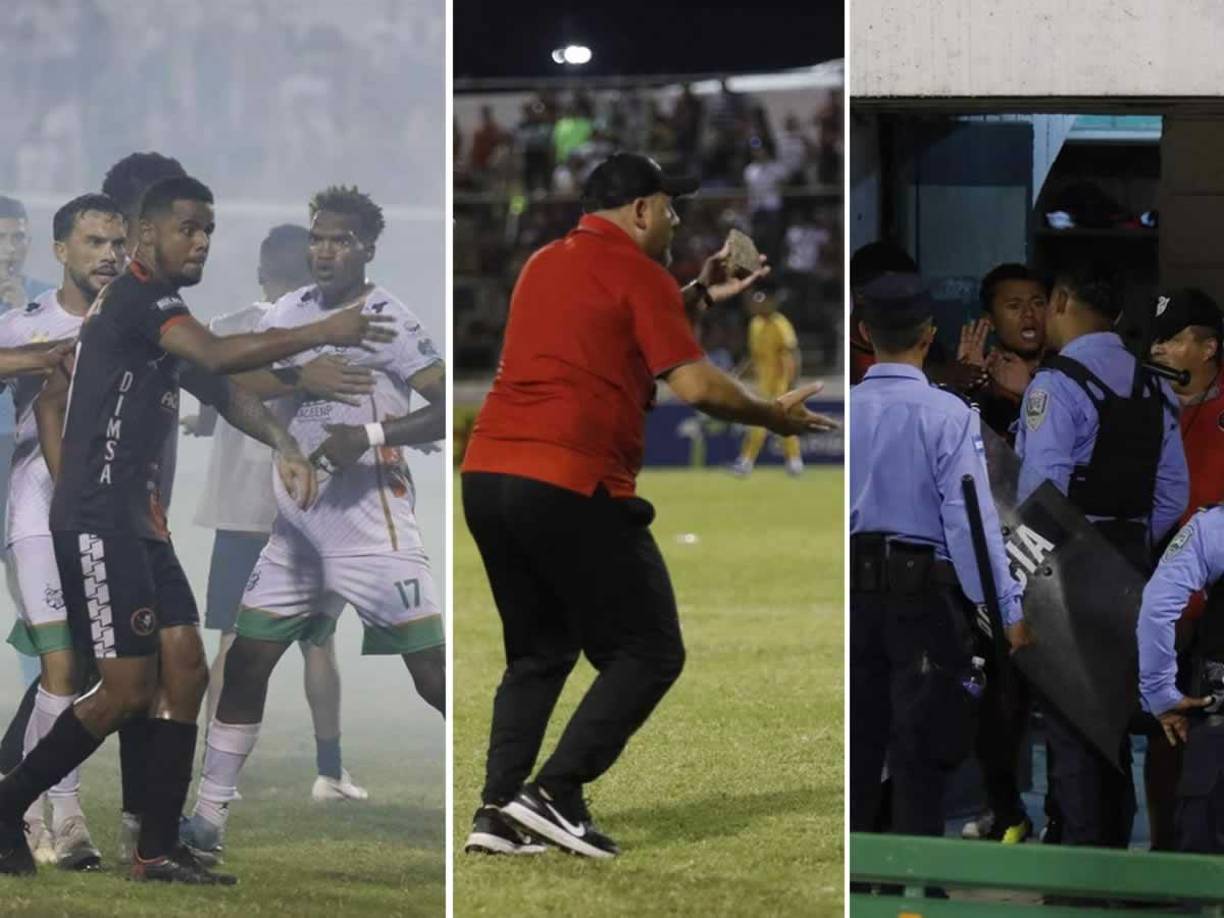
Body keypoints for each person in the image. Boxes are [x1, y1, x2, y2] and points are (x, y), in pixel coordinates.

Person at [0, 174, 396, 883]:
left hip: (139, 524)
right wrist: (321, 332)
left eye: (209, 229)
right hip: (95, 521)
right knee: (121, 688)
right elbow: (215, 357)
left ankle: (156, 849)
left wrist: (284, 442)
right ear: (147, 234)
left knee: (184, 673)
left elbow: (217, 386)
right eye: (189, 227)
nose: (202, 240)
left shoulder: (163, 308)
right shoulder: (136, 298)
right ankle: (8, 806)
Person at [459, 152, 837, 858]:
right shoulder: (638, 273)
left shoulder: (544, 262)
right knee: (648, 649)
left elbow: (608, 322)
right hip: (570, 478)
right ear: (640, 209)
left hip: (486, 474)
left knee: (538, 653)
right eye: (671, 206)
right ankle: (555, 794)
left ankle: (497, 810)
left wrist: (692, 290)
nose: (676, 219)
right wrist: (770, 416)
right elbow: (694, 386)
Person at [181, 186, 446, 861]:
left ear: (367, 249)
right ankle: (207, 822)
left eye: (341, 240)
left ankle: (506, 777)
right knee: (246, 662)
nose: (326, 250)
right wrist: (304, 376)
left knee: (430, 675)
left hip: (371, 521)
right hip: (297, 526)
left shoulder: (388, 317)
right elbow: (246, 382)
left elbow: (448, 410)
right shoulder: (291, 312)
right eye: (318, 238)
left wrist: (372, 432)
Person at [182, 223, 378, 804]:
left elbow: (216, 411)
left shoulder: (226, 329)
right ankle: (330, 772)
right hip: (307, 511)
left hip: (242, 510)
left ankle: (215, 776)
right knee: (319, 643)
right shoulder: (327, 333)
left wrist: (199, 425)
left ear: (262, 272)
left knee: (229, 640)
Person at [1015, 265, 1189, 849]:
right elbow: (1172, 494)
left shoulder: (1056, 384)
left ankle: (1079, 885)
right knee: (1114, 730)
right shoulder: (1156, 385)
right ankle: (1114, 868)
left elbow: (1042, 499)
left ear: (1063, 298)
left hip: (1068, 570)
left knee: (1070, 732)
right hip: (1132, 568)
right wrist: (1129, 546)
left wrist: (1022, 585)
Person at [849, 272, 1026, 840]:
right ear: (929, 334)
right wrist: (1004, 611)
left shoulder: (845, 410)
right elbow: (970, 523)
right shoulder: (948, 414)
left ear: (863, 332)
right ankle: (914, 889)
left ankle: (860, 883)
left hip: (853, 598)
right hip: (921, 600)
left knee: (859, 748)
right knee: (918, 755)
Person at [0, 193, 126, 870]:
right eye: (94, 242)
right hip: (37, 506)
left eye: (116, 243)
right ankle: (50, 817)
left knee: (87, 667)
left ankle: (49, 812)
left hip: (113, 508)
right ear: (62, 251)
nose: (107, 255)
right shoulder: (29, 322)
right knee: (60, 664)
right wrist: (59, 351)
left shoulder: (139, 318)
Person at [0, 194, 55, 689]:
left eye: (18, 238)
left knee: (30, 587)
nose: (9, 249)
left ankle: (41, 701)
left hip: (23, 460)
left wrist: (20, 310)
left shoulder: (45, 300)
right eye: (0, 238)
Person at [956, 264, 1048, 442]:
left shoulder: (1065, 372)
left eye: (1038, 303)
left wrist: (1029, 391)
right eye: (1014, 306)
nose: (1029, 314)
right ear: (989, 320)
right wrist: (969, 389)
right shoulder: (982, 382)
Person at [731, 286, 803, 477]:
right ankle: (791, 462)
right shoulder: (755, 324)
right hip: (763, 383)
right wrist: (738, 374)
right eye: (757, 301)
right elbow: (753, 356)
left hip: (780, 382)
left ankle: (748, 462)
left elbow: (792, 353)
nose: (758, 305)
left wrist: (792, 382)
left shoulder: (781, 324)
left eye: (762, 301)